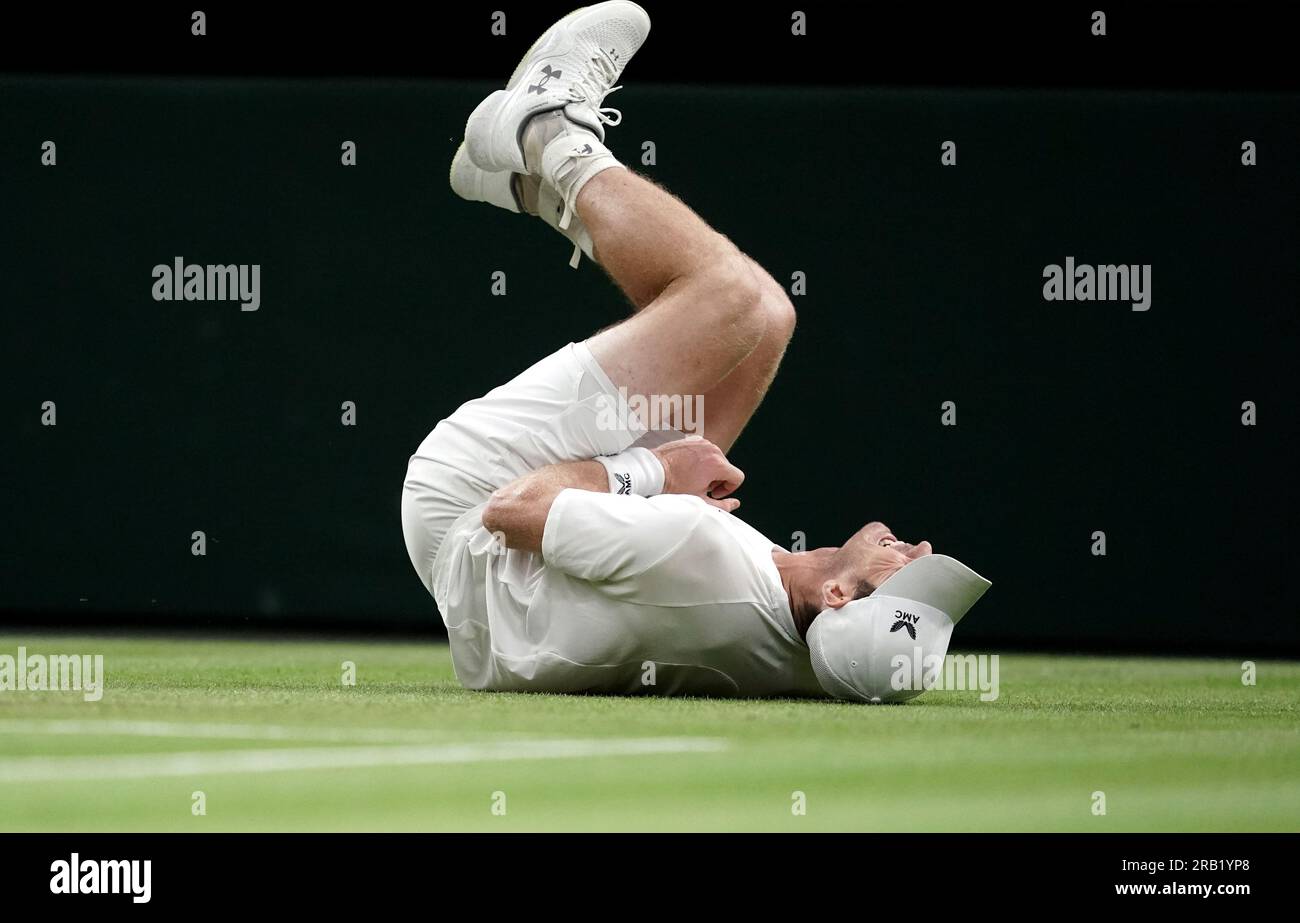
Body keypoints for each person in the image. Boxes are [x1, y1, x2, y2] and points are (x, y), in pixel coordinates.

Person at [401, 2, 963, 699]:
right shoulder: (801, 653)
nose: (919, 551)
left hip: (466, 497)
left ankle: (547, 130)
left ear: (842, 595)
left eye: (905, 574)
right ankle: (520, 183)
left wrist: (654, 470)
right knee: (767, 325)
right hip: (512, 605)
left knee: (736, 301)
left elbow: (509, 511)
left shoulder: (703, 560)